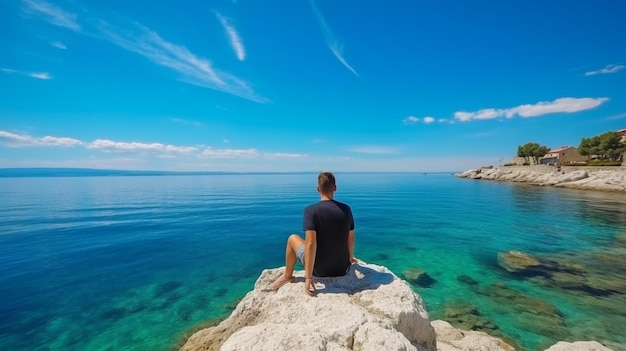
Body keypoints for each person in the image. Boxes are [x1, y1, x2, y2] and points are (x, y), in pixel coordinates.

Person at [270, 172, 356, 295]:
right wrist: (350, 258)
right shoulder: (346, 209)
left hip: (319, 271)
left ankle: (288, 275)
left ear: (317, 189)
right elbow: (350, 238)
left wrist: (308, 278)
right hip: (342, 269)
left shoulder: (311, 211)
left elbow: (310, 243)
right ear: (335, 188)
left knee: (293, 238)